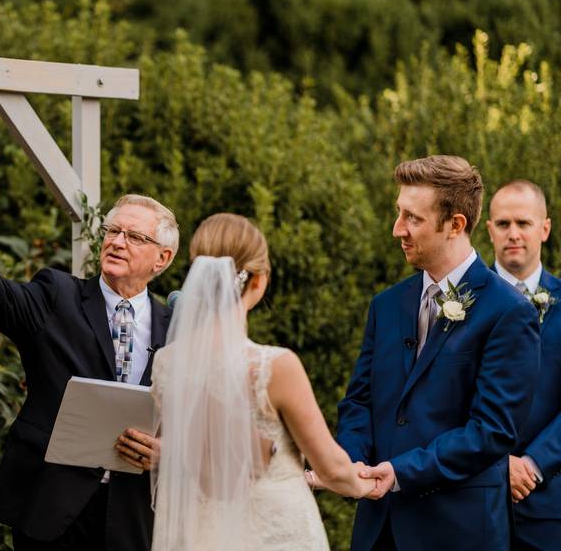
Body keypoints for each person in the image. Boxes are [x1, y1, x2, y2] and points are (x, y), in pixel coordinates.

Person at [0, 147, 177, 550]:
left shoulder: (176, 329)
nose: (117, 242)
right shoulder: (57, 295)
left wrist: (169, 453)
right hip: (52, 510)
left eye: (134, 237)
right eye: (112, 231)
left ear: (162, 258)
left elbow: (200, 419)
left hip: (134, 516)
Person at [336, 155, 540, 550]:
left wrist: (399, 472)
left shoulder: (509, 313)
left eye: (412, 218)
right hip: (378, 531)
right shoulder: (386, 305)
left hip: (456, 532)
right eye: (399, 213)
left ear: (456, 225)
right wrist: (351, 464)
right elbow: (359, 401)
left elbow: (491, 431)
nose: (398, 229)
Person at [150, 212, 375, 551]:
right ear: (259, 280)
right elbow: (330, 467)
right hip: (276, 535)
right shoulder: (275, 367)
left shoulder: (167, 364)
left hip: (203, 536)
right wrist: (366, 484)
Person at [486, 180, 561, 550]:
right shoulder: (460, 303)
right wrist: (499, 465)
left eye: (523, 223)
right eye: (502, 224)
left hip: (550, 502)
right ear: (488, 230)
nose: (512, 234)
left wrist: (533, 463)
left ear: (544, 228)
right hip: (474, 501)